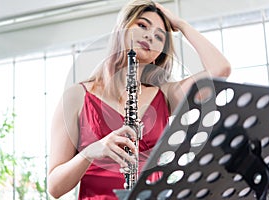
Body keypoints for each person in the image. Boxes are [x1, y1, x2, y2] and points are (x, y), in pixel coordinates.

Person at [47, 0, 231, 199]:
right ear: (122, 29)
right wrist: (90, 152)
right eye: (142, 25)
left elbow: (220, 69)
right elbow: (55, 188)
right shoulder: (76, 96)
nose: (149, 36)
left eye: (159, 36)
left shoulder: (165, 95)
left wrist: (180, 24)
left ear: (157, 56)